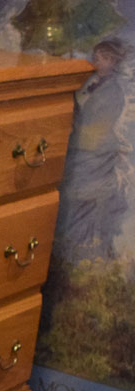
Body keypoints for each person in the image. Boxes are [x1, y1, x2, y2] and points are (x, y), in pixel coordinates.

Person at [56, 37, 131, 261]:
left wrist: (77, 121)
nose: (96, 60)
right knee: (73, 198)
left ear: (113, 62)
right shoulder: (89, 81)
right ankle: (70, 247)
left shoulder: (113, 92)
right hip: (80, 147)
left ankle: (82, 250)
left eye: (103, 58)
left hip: (95, 151)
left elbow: (98, 122)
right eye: (96, 56)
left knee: (85, 199)